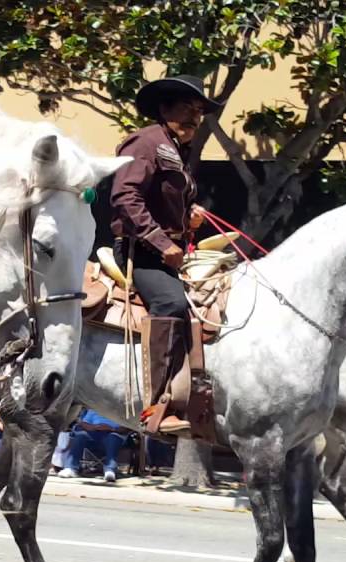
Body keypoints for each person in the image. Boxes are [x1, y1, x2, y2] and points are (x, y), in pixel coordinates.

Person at [109, 75, 221, 435]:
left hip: (166, 252)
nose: (195, 118)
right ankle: (155, 406)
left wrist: (188, 216)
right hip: (140, 252)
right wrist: (163, 243)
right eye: (187, 108)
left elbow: (164, 201)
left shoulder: (173, 149)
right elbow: (125, 198)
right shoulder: (146, 142)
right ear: (163, 108)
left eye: (200, 112)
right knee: (171, 303)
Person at [57, 409, 131, 482]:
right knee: (80, 436)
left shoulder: (121, 409)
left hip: (113, 434)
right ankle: (70, 468)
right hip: (94, 433)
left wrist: (111, 428)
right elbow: (83, 423)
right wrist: (94, 427)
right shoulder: (94, 408)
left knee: (112, 438)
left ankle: (110, 470)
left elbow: (127, 427)